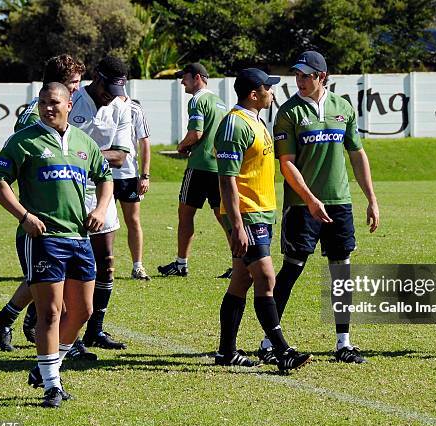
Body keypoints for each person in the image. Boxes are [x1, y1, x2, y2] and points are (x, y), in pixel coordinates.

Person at [0, 82, 113, 407]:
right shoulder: (24, 141)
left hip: (79, 238)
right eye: (43, 102)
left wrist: (100, 209)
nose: (48, 108)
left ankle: (47, 368)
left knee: (83, 311)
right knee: (51, 311)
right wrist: (24, 215)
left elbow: (106, 176)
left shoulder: (84, 142)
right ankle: (52, 386)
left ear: (69, 104)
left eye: (54, 102)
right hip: (42, 240)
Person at [258, 51, 380, 365]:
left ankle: (344, 343)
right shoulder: (288, 112)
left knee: (341, 272)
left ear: (321, 77)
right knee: (292, 269)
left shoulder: (343, 108)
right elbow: (286, 164)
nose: (299, 80)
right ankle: (269, 341)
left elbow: (357, 154)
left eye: (306, 75)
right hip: (302, 205)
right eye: (297, 75)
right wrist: (311, 199)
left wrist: (371, 198)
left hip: (340, 203)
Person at [0, 54, 88, 353]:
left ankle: (7, 320)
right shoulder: (37, 115)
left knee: (51, 275)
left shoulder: (50, 109)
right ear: (58, 83)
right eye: (74, 83)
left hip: (58, 209)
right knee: (54, 277)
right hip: (41, 209)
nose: (78, 90)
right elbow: (22, 157)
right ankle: (61, 340)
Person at [214, 68, 312, 372]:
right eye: (268, 88)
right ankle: (282, 351)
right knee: (267, 278)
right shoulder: (234, 124)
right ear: (253, 94)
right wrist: (238, 224)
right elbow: (227, 180)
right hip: (246, 213)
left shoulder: (256, 120)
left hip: (261, 211)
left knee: (241, 279)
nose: (272, 91)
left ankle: (226, 352)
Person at [68, 55, 133, 350]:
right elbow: (56, 145)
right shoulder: (72, 99)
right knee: (70, 263)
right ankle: (66, 331)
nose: (111, 97)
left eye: (117, 91)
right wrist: (91, 154)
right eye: (108, 89)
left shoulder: (121, 106)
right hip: (66, 190)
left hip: (100, 191)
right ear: (97, 77)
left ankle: (96, 329)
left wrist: (81, 154)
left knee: (106, 261)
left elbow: (120, 155)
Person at [157, 63, 232, 279]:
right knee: (224, 216)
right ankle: (240, 264)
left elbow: (196, 133)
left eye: (185, 78)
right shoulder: (220, 102)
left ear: (197, 77)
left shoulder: (197, 100)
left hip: (199, 167)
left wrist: (182, 146)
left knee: (185, 214)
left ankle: (181, 264)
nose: (182, 82)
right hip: (220, 167)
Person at [114, 96, 151, 280]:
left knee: (133, 221)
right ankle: (103, 266)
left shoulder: (134, 107)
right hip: (103, 174)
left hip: (128, 174)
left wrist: (144, 175)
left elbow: (144, 141)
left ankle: (138, 266)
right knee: (101, 224)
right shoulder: (101, 104)